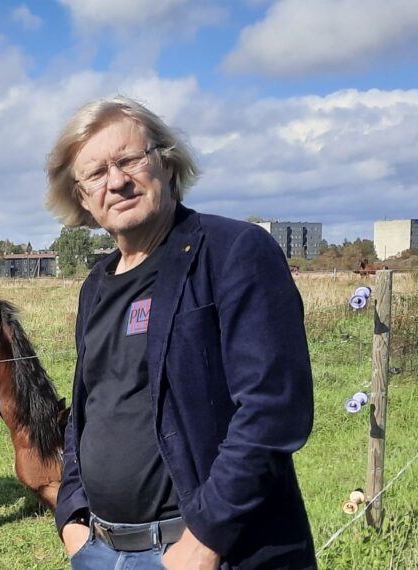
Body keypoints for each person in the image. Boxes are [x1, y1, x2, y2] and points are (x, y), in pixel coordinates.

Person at [45, 95, 316, 569]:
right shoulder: (96, 285)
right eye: (95, 174)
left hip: (202, 554)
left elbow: (274, 409)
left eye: (129, 159)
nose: (117, 181)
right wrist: (72, 512)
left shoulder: (233, 253)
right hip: (99, 549)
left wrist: (205, 540)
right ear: (82, 198)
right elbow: (88, 408)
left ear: (166, 164)